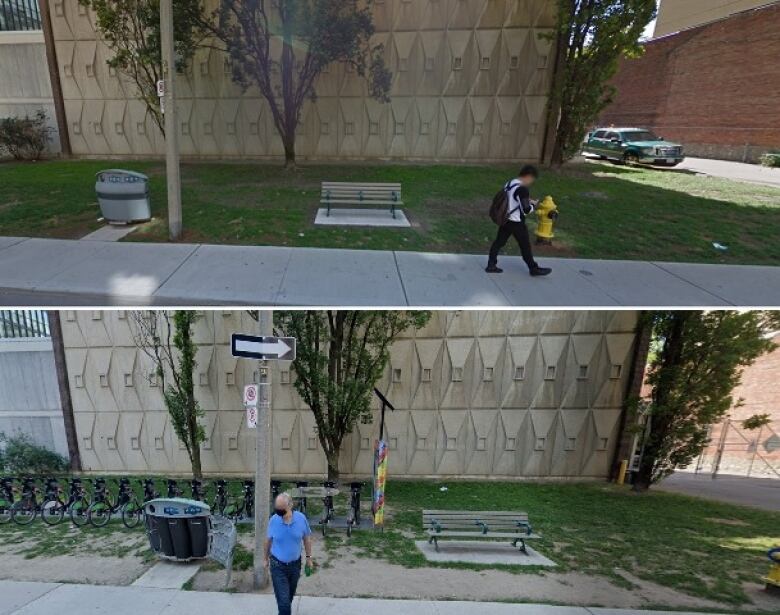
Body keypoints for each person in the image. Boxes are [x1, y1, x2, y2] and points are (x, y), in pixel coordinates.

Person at [486, 165, 552, 277]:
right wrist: (533, 205)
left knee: (499, 242)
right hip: (516, 222)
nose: (531, 182)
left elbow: (512, 198)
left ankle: (491, 265)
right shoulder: (522, 189)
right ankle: (533, 269)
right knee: (525, 245)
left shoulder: (510, 183)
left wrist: (527, 200)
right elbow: (526, 210)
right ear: (529, 177)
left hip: (505, 219)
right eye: (532, 179)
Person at [265, 492, 313, 615]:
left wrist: (309, 558)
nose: (279, 513)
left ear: (290, 505)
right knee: (285, 604)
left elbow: (307, 539)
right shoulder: (273, 520)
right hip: (277, 566)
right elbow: (268, 541)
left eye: (282, 510)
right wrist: (265, 558)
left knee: (288, 598)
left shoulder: (301, 519)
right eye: (277, 509)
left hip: (295, 566)